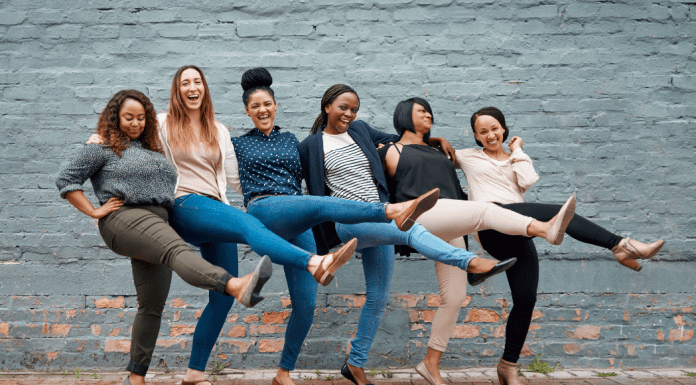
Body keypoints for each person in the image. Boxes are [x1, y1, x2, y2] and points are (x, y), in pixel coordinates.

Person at [87, 67, 359, 385]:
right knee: (247, 224)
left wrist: (273, 198)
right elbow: (132, 129)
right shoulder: (162, 122)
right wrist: (101, 139)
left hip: (216, 207)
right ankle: (314, 262)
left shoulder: (219, 130)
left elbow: (235, 180)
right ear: (177, 90)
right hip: (185, 204)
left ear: (205, 88)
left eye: (197, 81)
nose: (192, 87)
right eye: (185, 82)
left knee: (223, 296)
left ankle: (194, 373)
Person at [297, 85, 573, 385]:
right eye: (343, 108)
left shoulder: (360, 131)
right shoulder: (311, 145)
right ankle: (474, 261)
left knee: (379, 297)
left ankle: (355, 364)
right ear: (327, 107)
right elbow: (306, 186)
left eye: (353, 109)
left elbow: (398, 138)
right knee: (411, 228)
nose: (349, 114)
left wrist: (435, 139)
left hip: (379, 212)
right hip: (349, 219)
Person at [383, 100, 664, 385]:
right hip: (460, 219)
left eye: (495, 128)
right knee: (509, 209)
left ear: (504, 129)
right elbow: (398, 153)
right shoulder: (431, 153)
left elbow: (527, 180)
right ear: (476, 136)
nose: (490, 134)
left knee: (507, 298)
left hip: (488, 222)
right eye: (483, 131)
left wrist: (515, 151)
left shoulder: (481, 154)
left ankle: (494, 365)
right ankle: (607, 242)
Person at [232, 67, 443, 385]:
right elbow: (220, 175)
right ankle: (390, 211)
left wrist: (431, 140)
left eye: (267, 104)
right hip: (267, 209)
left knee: (307, 304)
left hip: (297, 214)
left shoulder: (292, 141)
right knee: (320, 203)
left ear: (275, 106)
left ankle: (283, 374)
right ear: (247, 111)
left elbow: (389, 143)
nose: (262, 110)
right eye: (255, 106)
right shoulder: (236, 144)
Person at [56, 90, 273, 385]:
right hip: (124, 218)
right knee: (175, 251)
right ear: (115, 118)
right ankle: (234, 285)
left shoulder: (152, 150)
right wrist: (95, 212)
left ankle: (136, 377)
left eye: (141, 118)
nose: (135, 123)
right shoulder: (101, 147)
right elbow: (66, 180)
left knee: (152, 304)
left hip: (156, 219)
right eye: (128, 117)